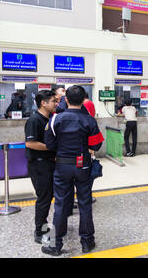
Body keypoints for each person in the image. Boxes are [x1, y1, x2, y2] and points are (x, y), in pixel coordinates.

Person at [43, 85, 104, 256]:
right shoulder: (90, 120)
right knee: (85, 203)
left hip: (62, 166)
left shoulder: (55, 119)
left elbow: (49, 144)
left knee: (61, 204)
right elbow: (96, 144)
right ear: (84, 99)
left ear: (66, 100)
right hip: (83, 166)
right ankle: (87, 242)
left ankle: (56, 245)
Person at [24, 90, 58, 244]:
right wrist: (51, 147)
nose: (56, 104)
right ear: (43, 103)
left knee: (48, 196)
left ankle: (44, 227)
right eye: (53, 101)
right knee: (43, 198)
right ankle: (39, 232)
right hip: (38, 164)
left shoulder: (50, 119)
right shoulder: (34, 120)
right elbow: (30, 143)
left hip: (49, 162)